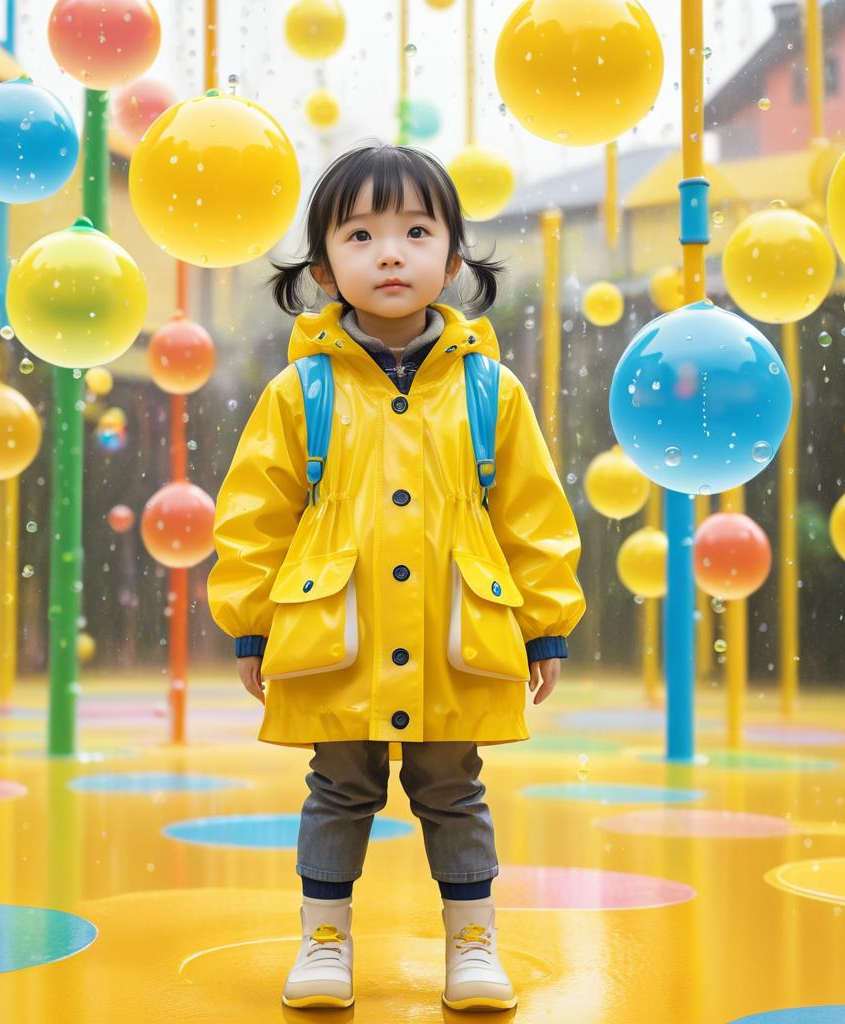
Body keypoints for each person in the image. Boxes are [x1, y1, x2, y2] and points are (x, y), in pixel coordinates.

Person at [207, 141, 585, 1012]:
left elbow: (532, 514)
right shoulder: (300, 391)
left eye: (415, 231)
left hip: (457, 631)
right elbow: (254, 515)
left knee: (455, 789)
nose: (389, 252)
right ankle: (325, 939)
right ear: (324, 265)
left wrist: (545, 621)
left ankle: (473, 942)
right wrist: (253, 621)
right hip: (335, 632)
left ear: (452, 261)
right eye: (361, 233)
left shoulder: (491, 390)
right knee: (338, 788)